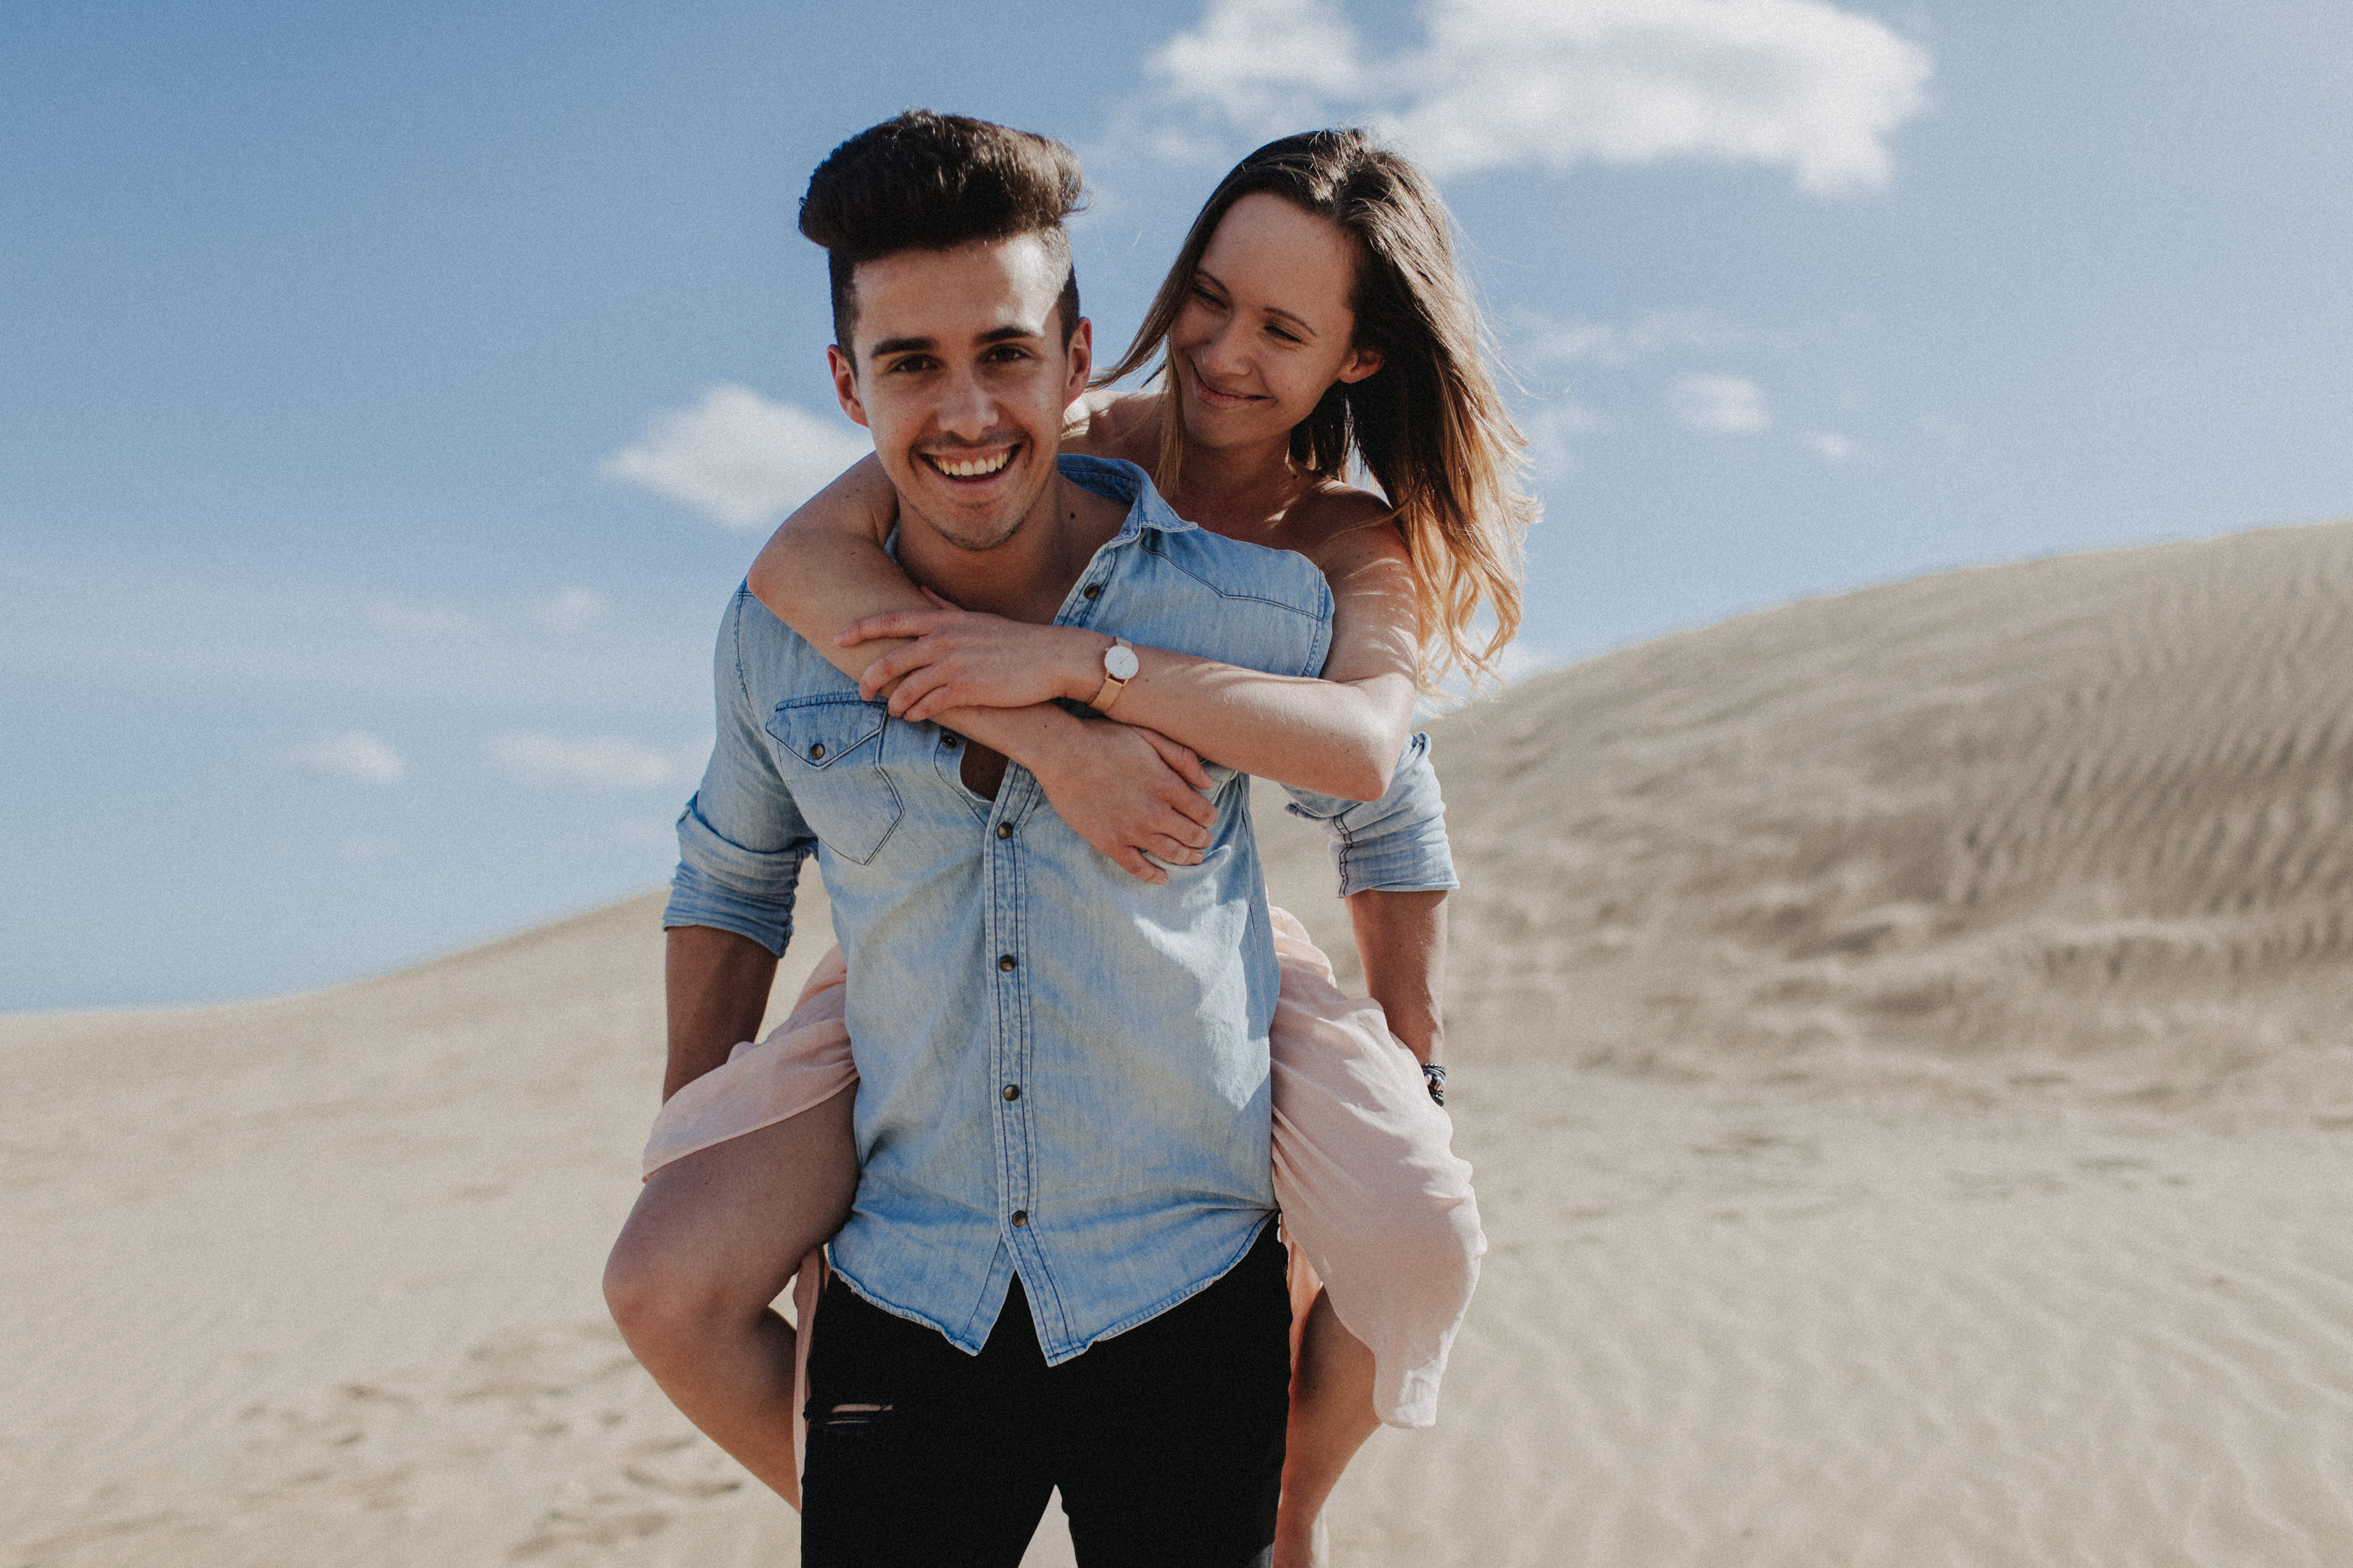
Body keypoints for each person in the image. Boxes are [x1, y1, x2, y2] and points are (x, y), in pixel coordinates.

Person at [606, 118, 1529, 1566]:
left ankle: (1298, 1502)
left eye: (1280, 328)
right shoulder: (842, 583)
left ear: (1075, 350)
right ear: (849, 380)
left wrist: (1410, 1046)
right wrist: (697, 1131)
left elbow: (1378, 776)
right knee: (664, 1270)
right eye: (1210, 302)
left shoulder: (1303, 571)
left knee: (1422, 1228)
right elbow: (747, 790)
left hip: (1189, 1166)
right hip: (915, 1198)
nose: (1225, 352)